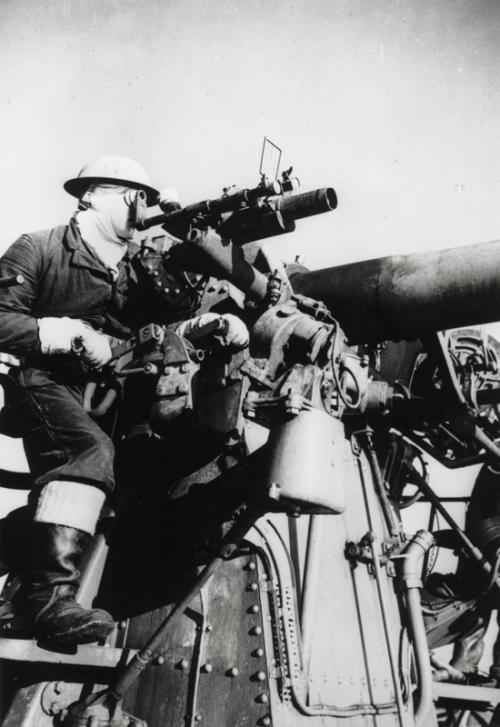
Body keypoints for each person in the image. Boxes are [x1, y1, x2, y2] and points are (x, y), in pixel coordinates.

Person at [0, 155, 248, 644]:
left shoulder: (137, 269)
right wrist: (60, 333)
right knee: (87, 456)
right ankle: (47, 603)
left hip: (111, 395)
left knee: (123, 486)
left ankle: (18, 561)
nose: (142, 209)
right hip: (47, 382)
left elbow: (159, 328)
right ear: (91, 196)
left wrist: (205, 326)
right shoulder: (41, 248)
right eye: (136, 196)